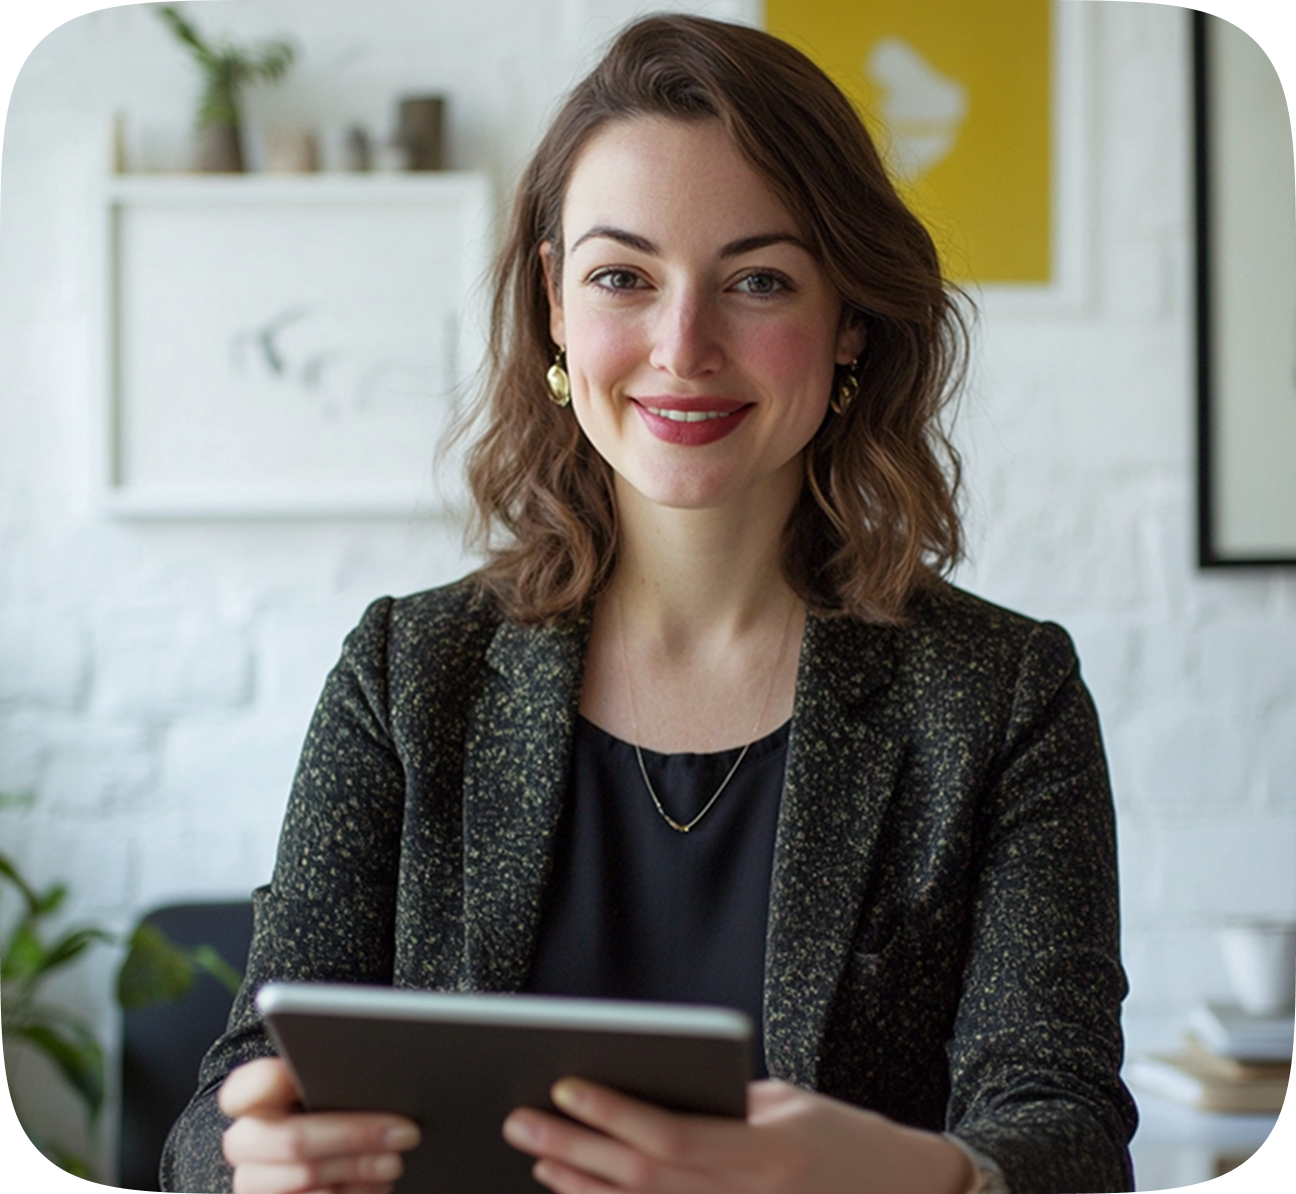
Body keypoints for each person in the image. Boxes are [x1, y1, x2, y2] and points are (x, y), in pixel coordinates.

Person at [162, 14, 1137, 1194]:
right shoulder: (406, 674)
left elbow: (1068, 1134)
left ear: (850, 325)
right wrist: (248, 1155)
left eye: (758, 280)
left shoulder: (1003, 697)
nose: (683, 346)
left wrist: (905, 1175)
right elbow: (227, 1104)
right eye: (624, 277)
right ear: (557, 307)